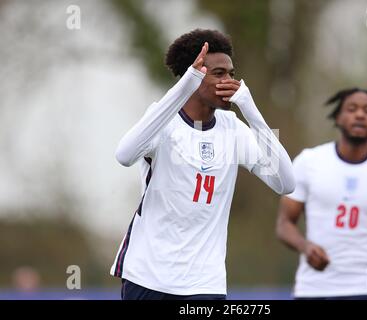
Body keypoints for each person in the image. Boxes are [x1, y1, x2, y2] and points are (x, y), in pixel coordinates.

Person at [110, 29, 295, 300]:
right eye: (219, 74)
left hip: (205, 284)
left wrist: (250, 109)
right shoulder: (162, 120)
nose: (229, 81)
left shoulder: (234, 129)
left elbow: (286, 183)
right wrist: (185, 85)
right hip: (148, 277)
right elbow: (124, 155)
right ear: (193, 75)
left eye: (232, 73)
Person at [277, 88, 367, 300]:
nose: (360, 114)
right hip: (311, 288)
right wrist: (305, 246)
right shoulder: (309, 161)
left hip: (365, 287)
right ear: (338, 117)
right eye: (352, 109)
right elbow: (284, 224)